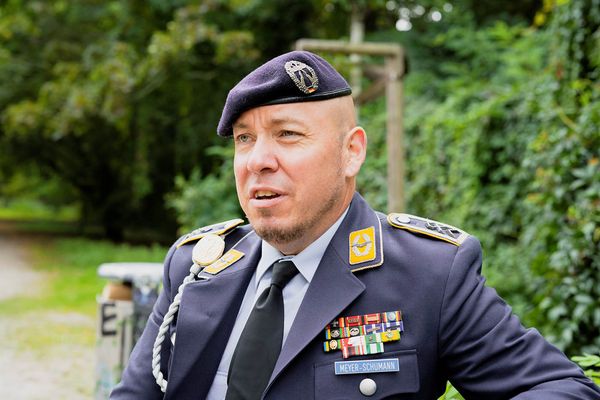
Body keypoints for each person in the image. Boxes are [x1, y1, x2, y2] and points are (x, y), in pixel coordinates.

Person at [111, 51, 600, 400]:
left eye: (287, 135)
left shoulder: (429, 274)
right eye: (244, 139)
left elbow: (559, 388)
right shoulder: (198, 265)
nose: (258, 160)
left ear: (352, 152)